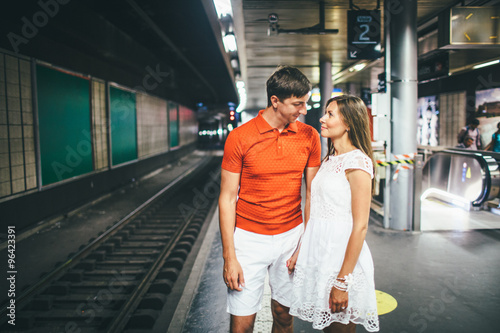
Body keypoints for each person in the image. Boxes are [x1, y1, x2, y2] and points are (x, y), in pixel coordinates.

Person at [219, 65, 321, 333]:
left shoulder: (310, 137)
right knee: (242, 324)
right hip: (248, 239)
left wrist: (305, 245)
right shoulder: (240, 138)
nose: (303, 110)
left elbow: (313, 194)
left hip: (291, 236)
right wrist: (229, 256)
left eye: (305, 103)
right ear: (275, 101)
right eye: (297, 104)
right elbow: (227, 198)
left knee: (284, 315)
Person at [287, 95, 379, 332]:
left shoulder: (357, 162)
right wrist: (301, 250)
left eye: (330, 114)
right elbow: (316, 209)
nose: (322, 118)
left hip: (341, 260)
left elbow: (360, 227)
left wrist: (342, 281)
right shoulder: (330, 159)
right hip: (320, 255)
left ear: (348, 123)